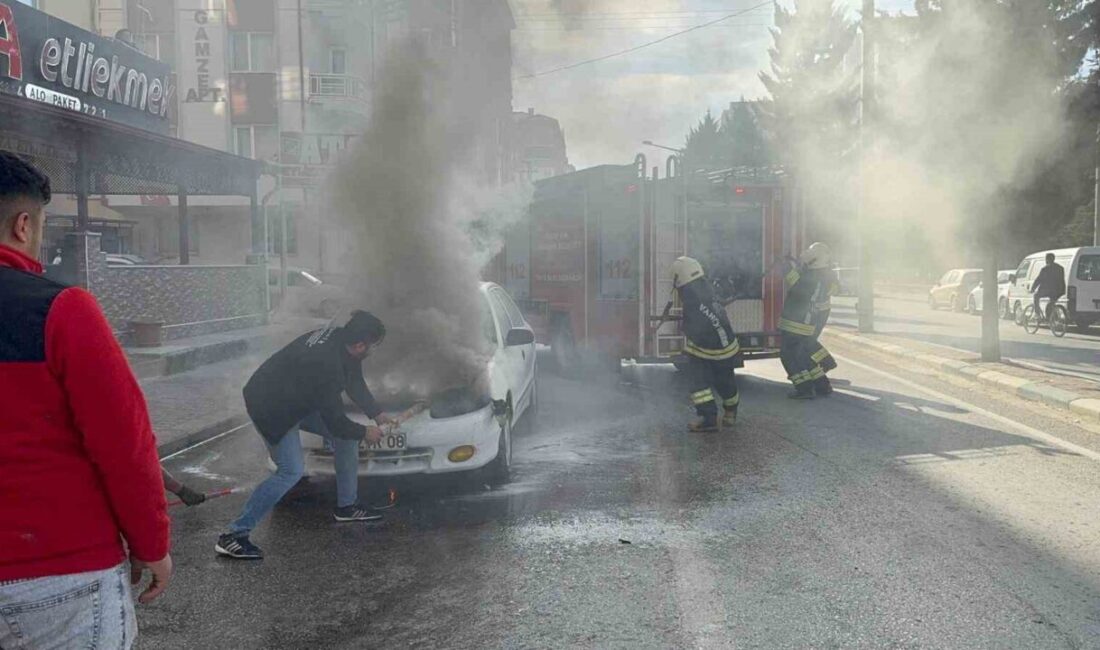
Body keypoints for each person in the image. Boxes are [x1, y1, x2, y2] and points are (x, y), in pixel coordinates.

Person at [0, 152, 171, 648]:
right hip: (58, 577)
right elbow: (125, 445)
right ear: (23, 224)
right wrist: (150, 544)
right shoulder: (61, 309)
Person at [216, 311, 395, 560]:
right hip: (271, 406)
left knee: (346, 439)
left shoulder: (341, 339)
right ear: (359, 345)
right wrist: (365, 431)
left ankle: (347, 507)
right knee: (290, 470)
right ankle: (233, 536)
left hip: (296, 399)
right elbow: (336, 421)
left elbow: (354, 380)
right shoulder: (326, 366)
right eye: (373, 346)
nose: (373, 351)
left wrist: (376, 414)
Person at [670, 256, 741, 432]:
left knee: (697, 383)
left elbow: (692, 327)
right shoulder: (706, 287)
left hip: (709, 348)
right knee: (726, 381)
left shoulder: (691, 296)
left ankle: (708, 419)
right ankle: (731, 413)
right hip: (728, 345)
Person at [779, 243, 836, 399]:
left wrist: (784, 264)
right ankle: (822, 385)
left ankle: (803, 389)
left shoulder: (809, 276)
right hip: (808, 321)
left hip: (796, 322)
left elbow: (795, 283)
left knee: (788, 355)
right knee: (803, 353)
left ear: (814, 260)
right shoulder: (825, 275)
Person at [1031, 252, 1065, 323]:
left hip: (1048, 290)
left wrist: (1032, 288)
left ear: (1047, 259)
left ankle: (1037, 314)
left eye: (1046, 259)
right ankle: (1051, 317)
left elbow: (1039, 280)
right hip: (1059, 291)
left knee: (1036, 296)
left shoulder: (1045, 269)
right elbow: (1061, 280)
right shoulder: (1060, 268)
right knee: (1051, 303)